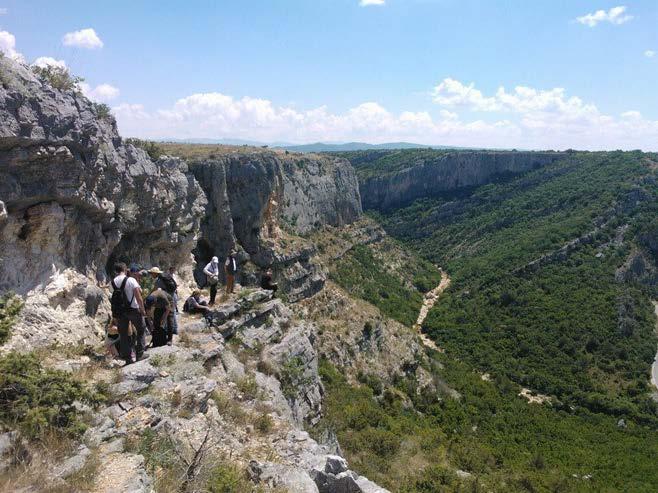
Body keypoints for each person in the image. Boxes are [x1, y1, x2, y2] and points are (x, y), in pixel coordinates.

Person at [111, 263, 148, 364]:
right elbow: (138, 296)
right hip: (133, 309)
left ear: (116, 271)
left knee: (123, 334)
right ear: (125, 269)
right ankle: (140, 353)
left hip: (120, 312)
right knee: (141, 329)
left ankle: (127, 358)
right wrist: (143, 310)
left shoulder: (113, 281)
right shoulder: (131, 280)